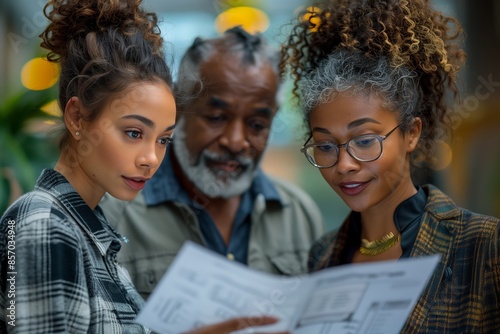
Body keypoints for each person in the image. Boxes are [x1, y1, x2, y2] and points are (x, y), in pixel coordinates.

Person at [0, 1, 288, 333]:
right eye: (133, 133)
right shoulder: (45, 222)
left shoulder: (94, 234)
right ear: (77, 117)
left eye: (163, 140)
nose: (150, 158)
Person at [280, 0, 500, 332]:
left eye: (365, 140)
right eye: (325, 146)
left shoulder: (484, 245)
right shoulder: (322, 257)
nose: (344, 164)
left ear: (411, 133)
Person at [100, 26, 325, 299]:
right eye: (217, 118)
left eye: (257, 124)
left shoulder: (298, 214)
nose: (235, 141)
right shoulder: (113, 217)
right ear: (178, 110)